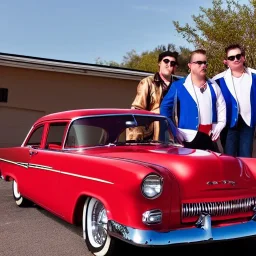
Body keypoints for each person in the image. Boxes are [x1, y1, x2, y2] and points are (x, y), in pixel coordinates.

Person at [160, 49, 226, 151]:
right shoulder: (178, 86)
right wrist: (174, 131)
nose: (203, 65)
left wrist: (221, 124)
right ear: (190, 65)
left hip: (209, 138)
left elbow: (221, 106)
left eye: (205, 63)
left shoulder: (213, 85)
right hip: (187, 139)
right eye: (199, 62)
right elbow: (164, 108)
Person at [212, 44, 256, 157]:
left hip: (248, 123)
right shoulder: (217, 80)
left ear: (243, 57)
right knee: (229, 156)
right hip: (228, 124)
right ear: (226, 61)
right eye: (231, 58)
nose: (235, 59)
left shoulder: (254, 75)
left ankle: (245, 175)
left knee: (246, 156)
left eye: (238, 56)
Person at [126, 51, 179, 141]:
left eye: (172, 63)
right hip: (152, 136)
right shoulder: (147, 82)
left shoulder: (180, 85)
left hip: (175, 134)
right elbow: (136, 110)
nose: (169, 64)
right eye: (166, 61)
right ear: (159, 63)